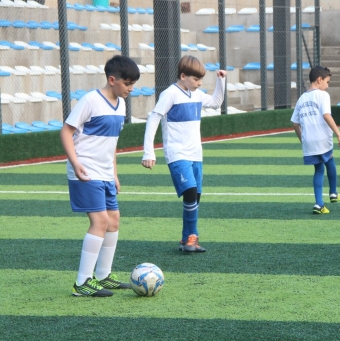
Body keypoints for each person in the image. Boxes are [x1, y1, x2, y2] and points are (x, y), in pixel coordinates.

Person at [61, 55, 140, 297]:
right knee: (100, 222)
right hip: (85, 170)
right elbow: (66, 131)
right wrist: (75, 164)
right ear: (112, 79)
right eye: (127, 83)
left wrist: (114, 174)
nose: (130, 89)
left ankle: (103, 276)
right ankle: (82, 283)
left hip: (105, 173)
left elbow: (111, 144)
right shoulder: (91, 100)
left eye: (132, 84)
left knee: (114, 220)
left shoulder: (122, 105)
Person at [141, 55, 226, 252]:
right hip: (177, 153)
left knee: (195, 196)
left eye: (201, 79)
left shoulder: (195, 94)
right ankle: (192, 237)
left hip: (196, 154)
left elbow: (216, 103)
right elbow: (154, 119)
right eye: (196, 79)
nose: (200, 83)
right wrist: (148, 152)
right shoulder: (170, 94)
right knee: (189, 191)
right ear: (183, 76)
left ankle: (186, 239)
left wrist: (221, 80)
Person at [291, 66, 340, 214]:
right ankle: (333, 193)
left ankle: (318, 204)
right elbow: (327, 115)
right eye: (327, 82)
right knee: (330, 161)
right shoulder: (323, 95)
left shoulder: (301, 98)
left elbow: (295, 124)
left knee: (319, 169)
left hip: (308, 140)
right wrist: (339, 134)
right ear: (319, 80)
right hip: (323, 138)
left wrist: (303, 140)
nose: (327, 86)